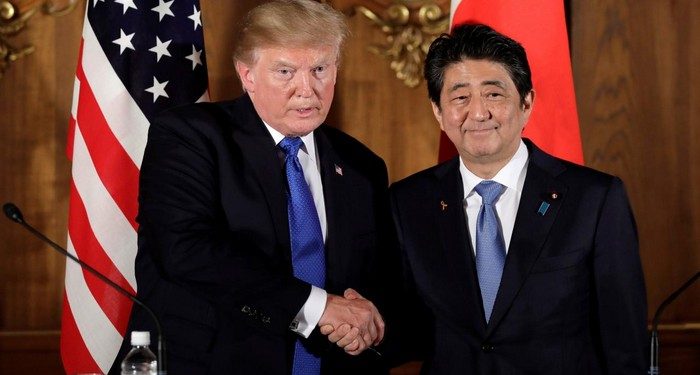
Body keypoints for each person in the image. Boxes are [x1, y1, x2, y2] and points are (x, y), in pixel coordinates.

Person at [109, 1, 394, 374]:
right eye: (285, 71)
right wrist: (319, 307)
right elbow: (186, 250)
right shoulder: (189, 136)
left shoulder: (361, 166)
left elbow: (382, 279)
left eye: (320, 69)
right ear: (247, 75)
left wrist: (365, 324)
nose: (306, 89)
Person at [389, 24, 647, 374]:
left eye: (494, 95)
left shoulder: (594, 199)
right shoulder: (408, 202)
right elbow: (407, 330)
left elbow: (624, 345)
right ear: (438, 111)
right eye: (460, 97)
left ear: (526, 102)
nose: (478, 113)